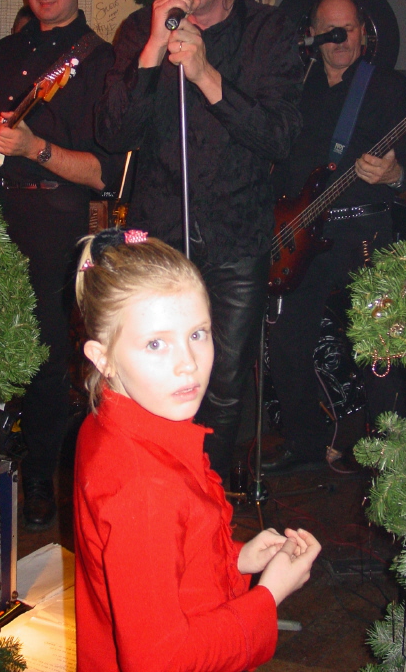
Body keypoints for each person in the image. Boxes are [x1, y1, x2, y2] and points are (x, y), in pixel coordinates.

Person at [96, 0, 303, 479]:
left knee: (223, 383)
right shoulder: (138, 29)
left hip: (237, 236)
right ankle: (154, 493)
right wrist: (152, 50)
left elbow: (281, 137)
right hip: (158, 234)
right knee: (151, 375)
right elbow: (112, 133)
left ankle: (207, 497)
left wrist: (207, 75)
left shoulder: (269, 31)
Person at [73, 228, 321, 672]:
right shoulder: (145, 486)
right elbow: (159, 661)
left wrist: (236, 558)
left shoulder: (114, 424)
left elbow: (160, 569)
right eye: (155, 343)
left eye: (198, 334)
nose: (187, 364)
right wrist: (269, 595)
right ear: (102, 357)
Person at [0, 0, 116, 531]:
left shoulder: (101, 64)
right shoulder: (0, 56)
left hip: (58, 222)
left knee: (47, 358)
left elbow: (104, 173)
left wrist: (33, 148)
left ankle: (43, 473)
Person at [265, 0, 406, 473]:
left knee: (378, 346)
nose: (341, 40)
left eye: (348, 29)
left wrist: (392, 174)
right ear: (313, 35)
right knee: (287, 342)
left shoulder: (388, 87)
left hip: (364, 230)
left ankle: (388, 453)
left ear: (362, 33)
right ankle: (306, 445)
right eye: (331, 31)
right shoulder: (297, 87)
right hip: (301, 236)